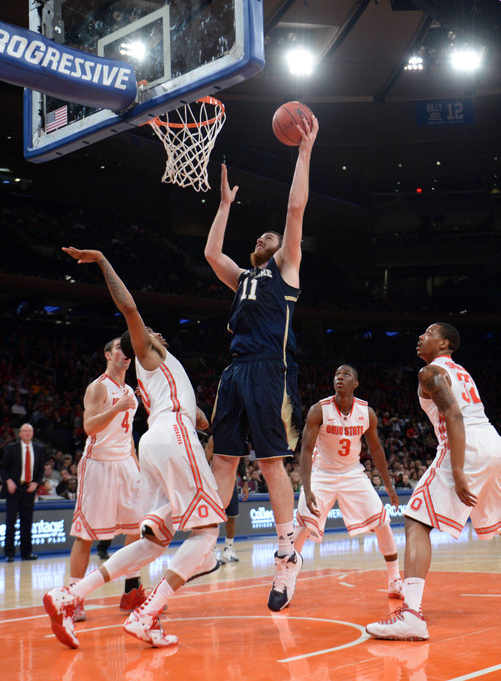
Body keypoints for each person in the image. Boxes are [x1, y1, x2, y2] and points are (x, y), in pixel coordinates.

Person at [44, 247, 227, 649]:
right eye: (149, 332)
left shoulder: (159, 371)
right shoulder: (146, 352)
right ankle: (148, 614)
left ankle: (70, 595)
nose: (157, 333)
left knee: (153, 540)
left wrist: (200, 418)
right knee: (207, 531)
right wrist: (104, 260)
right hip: (172, 436)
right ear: (139, 343)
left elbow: (189, 413)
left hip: (156, 441)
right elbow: (127, 306)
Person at [366, 323, 501, 641]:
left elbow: (454, 415)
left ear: (444, 342)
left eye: (428, 333)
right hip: (493, 444)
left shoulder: (429, 373)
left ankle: (411, 615)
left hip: (466, 446)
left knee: (415, 521)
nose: (420, 337)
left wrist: (460, 469)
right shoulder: (462, 371)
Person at [203, 112, 319, 612]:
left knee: (272, 462)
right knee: (223, 457)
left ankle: (287, 551)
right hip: (236, 371)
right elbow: (212, 252)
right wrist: (225, 205)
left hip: (273, 369)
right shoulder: (242, 279)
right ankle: (206, 539)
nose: (262, 239)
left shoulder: (285, 270)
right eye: (260, 238)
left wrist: (304, 152)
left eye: (267, 238)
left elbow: (294, 210)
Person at [293, 365, 402, 602]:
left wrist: (389, 487)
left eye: (346, 374)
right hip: (322, 472)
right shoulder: (318, 410)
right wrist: (307, 487)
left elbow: (375, 449)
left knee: (382, 522)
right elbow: (306, 449)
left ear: (356, 384)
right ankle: (286, 580)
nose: (340, 377)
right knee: (302, 526)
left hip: (353, 472)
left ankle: (395, 580)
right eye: (336, 374)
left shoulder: (366, 412)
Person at [67, 337, 145, 622]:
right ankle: (73, 598)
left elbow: (128, 438)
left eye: (129, 351)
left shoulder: (129, 391)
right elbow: (89, 427)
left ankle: (131, 592)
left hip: (125, 463)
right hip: (98, 464)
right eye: (119, 349)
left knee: (139, 529)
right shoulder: (98, 387)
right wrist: (115, 408)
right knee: (85, 535)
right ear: (107, 355)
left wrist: (137, 470)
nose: (126, 354)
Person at [0, 423, 45, 561]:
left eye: (29, 431)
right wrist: (8, 481)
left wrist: (36, 483)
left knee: (27, 522)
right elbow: (2, 468)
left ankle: (26, 553)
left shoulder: (39, 449)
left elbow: (41, 469)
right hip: (14, 489)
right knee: (11, 522)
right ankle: (9, 553)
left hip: (29, 489)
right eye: (24, 431)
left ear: (32, 433)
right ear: (19, 434)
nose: (27, 433)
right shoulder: (11, 448)